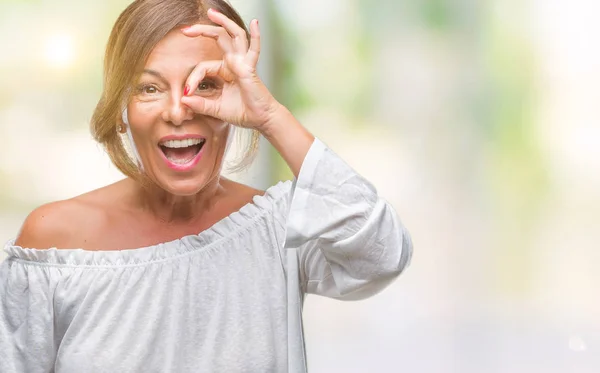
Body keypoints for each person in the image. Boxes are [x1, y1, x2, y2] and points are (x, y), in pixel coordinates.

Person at [0, 0, 413, 372]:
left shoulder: (279, 227)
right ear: (121, 108)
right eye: (149, 88)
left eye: (206, 84)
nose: (179, 111)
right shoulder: (54, 242)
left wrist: (270, 115)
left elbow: (381, 255)